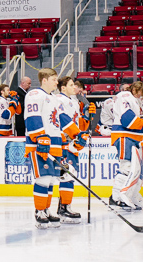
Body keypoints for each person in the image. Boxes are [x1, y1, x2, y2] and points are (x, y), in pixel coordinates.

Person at [24, 68, 62, 228]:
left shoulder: (53, 98)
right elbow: (32, 116)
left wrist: (73, 134)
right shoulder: (35, 95)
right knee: (43, 178)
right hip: (41, 143)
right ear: (44, 80)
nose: (57, 82)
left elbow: (59, 120)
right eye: (54, 79)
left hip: (55, 144)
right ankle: (39, 210)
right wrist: (40, 137)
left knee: (52, 180)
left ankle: (46, 209)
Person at [110, 81, 143, 211]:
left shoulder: (134, 100)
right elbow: (126, 118)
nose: (140, 95)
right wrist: (142, 122)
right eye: (139, 92)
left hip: (132, 136)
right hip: (124, 135)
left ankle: (130, 195)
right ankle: (116, 198)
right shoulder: (125, 96)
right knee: (126, 167)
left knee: (136, 170)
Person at [55, 76, 88, 223]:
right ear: (63, 88)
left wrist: (87, 116)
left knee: (71, 172)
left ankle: (64, 206)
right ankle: (63, 207)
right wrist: (76, 135)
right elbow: (63, 121)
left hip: (72, 142)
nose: (74, 87)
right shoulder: (60, 100)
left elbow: (78, 123)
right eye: (71, 85)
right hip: (64, 141)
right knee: (67, 174)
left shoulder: (73, 101)